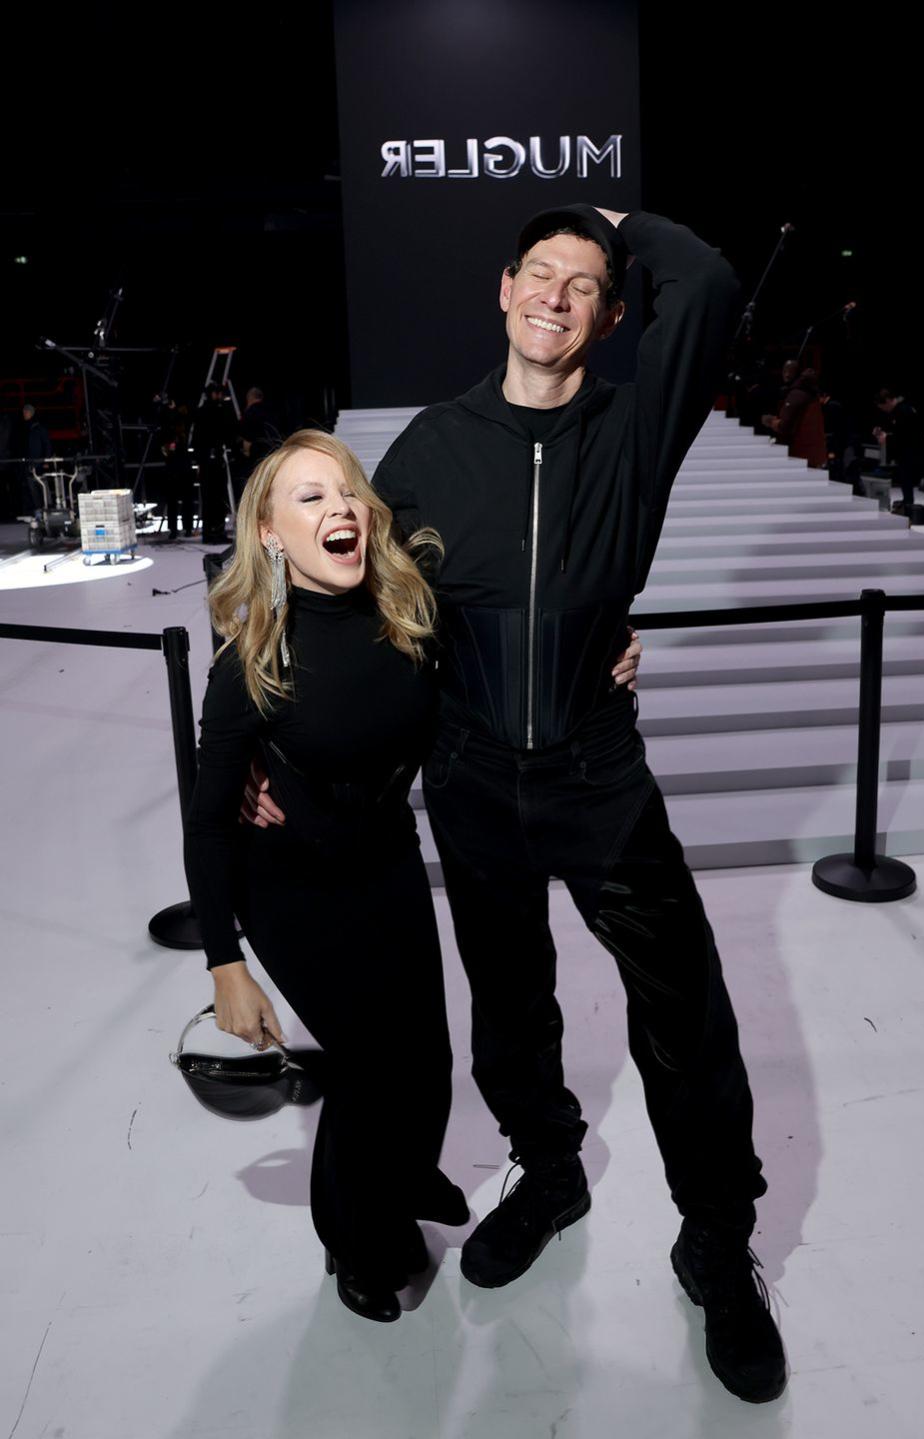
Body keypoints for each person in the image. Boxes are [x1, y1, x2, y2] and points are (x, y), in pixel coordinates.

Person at [250, 203, 786, 1403]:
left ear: (606, 311)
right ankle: (549, 1170)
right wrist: (262, 751)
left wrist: (615, 219)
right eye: (538, 272)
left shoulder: (638, 424)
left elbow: (707, 283)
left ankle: (717, 1245)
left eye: (584, 281)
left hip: (601, 776)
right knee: (508, 1001)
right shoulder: (433, 448)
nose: (556, 293)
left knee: (686, 1017)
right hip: (474, 780)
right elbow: (360, 621)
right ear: (501, 292)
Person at [184, 430, 471, 1323]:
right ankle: (355, 1240)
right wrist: (224, 962)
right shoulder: (251, 662)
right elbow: (206, 818)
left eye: (345, 491)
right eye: (309, 497)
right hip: (291, 888)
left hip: (385, 861)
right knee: (369, 1068)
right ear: (269, 532)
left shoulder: (410, 615)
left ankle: (409, 1171)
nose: (338, 506)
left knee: (427, 1056)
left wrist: (613, 652)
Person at [192, 383, 237, 542]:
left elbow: (226, 432)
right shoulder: (206, 412)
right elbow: (198, 438)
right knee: (210, 498)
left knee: (217, 497)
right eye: (216, 393)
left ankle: (217, 531)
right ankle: (211, 532)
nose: (218, 396)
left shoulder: (218, 410)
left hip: (216, 458)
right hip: (208, 460)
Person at [872, 388, 924, 517]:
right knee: (904, 478)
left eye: (882, 406)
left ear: (887, 401)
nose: (883, 410)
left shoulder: (903, 410)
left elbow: (907, 434)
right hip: (906, 450)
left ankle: (908, 504)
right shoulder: (898, 410)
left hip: (911, 450)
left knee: (906, 477)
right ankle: (907, 502)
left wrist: (887, 437)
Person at [761, 361, 828, 467]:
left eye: (790, 371)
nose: (786, 374)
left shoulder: (796, 395)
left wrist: (770, 421)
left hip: (800, 453)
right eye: (785, 371)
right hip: (814, 452)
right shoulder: (811, 393)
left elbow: (784, 427)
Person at [155, 394, 194, 539]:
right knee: (172, 498)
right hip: (172, 462)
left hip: (182, 461)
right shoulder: (165, 418)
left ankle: (187, 527)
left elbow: (184, 420)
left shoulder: (182, 415)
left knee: (186, 498)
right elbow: (163, 431)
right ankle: (174, 529)